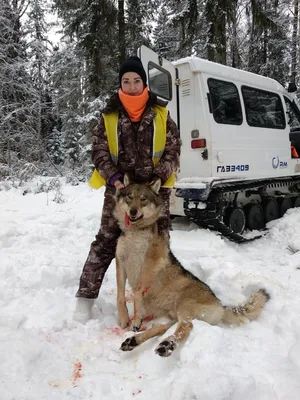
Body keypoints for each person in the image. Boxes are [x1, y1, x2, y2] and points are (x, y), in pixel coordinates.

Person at [73, 56, 181, 323]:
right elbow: (98, 152)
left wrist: (158, 179)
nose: (132, 86)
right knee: (106, 241)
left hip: (154, 194)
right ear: (120, 84)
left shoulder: (162, 114)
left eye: (136, 81)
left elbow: (173, 150)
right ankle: (85, 299)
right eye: (126, 81)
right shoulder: (109, 115)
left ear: (144, 83)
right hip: (121, 191)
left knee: (159, 243)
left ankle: (157, 296)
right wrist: (115, 179)